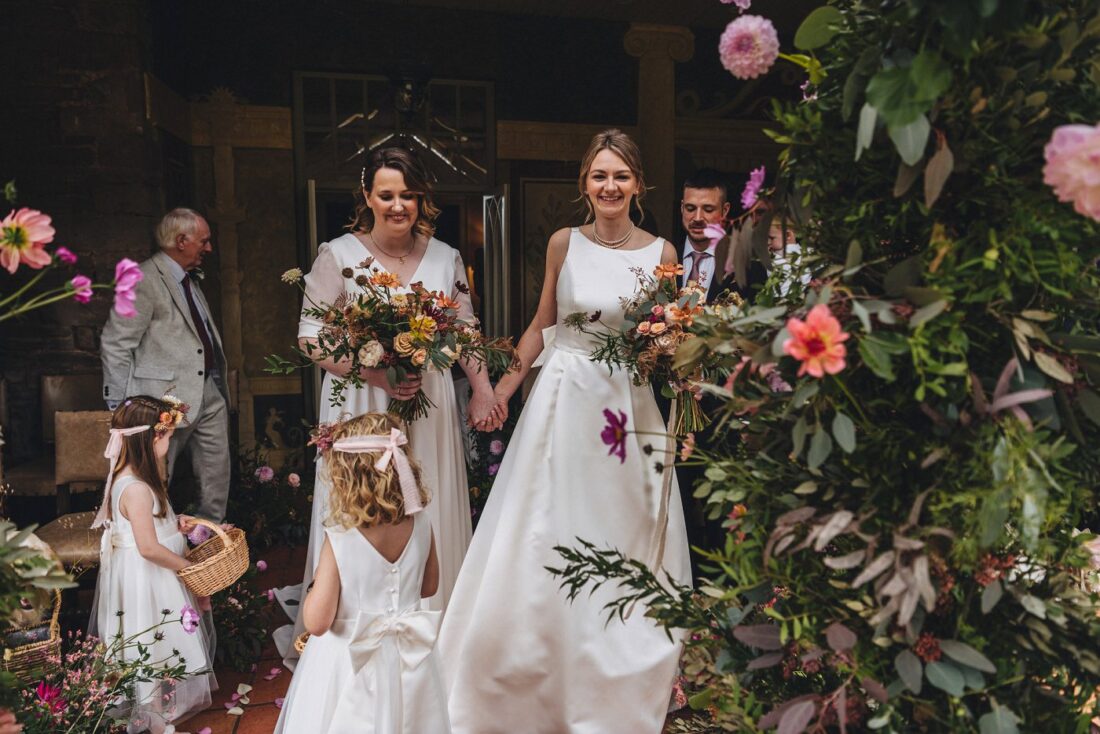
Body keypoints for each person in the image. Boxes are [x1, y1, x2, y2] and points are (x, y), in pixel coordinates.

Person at [442, 129, 691, 733]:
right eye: (600, 175)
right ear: (585, 183)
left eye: (621, 177)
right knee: (547, 521)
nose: (610, 187)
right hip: (563, 397)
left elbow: (673, 340)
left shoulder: (661, 252)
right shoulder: (563, 242)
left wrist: (678, 389)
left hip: (625, 408)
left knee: (622, 521)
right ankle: (539, 652)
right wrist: (500, 389)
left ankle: (620, 657)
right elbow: (540, 323)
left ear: (638, 185)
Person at [274, 146, 496, 665]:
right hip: (361, 401)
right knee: (360, 501)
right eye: (387, 195)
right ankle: (352, 618)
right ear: (368, 197)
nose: (399, 205)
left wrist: (482, 389)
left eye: (409, 196)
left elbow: (465, 330)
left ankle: (436, 626)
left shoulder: (447, 258)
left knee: (430, 494)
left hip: (429, 399)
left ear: (423, 199)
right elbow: (310, 337)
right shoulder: (339, 254)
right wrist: (373, 370)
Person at [274, 412, 450, 734]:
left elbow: (317, 621)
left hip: (350, 662)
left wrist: (313, 590)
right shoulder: (421, 522)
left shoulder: (341, 536)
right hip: (410, 659)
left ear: (347, 477)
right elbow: (429, 585)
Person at [88, 396, 217, 734]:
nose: (170, 442)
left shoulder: (139, 478)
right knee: (150, 648)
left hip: (153, 576)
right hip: (147, 581)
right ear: (149, 438)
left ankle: (158, 717)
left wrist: (175, 525)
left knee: (159, 650)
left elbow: (149, 528)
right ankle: (157, 724)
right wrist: (187, 569)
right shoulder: (135, 489)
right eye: (168, 436)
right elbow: (147, 547)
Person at [100, 208, 231, 522]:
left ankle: (211, 547)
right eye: (204, 241)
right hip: (160, 400)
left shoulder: (190, 280)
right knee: (155, 480)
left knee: (216, 477)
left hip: (208, 393)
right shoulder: (143, 279)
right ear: (182, 241)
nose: (209, 248)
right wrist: (121, 407)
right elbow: (115, 343)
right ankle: (156, 549)